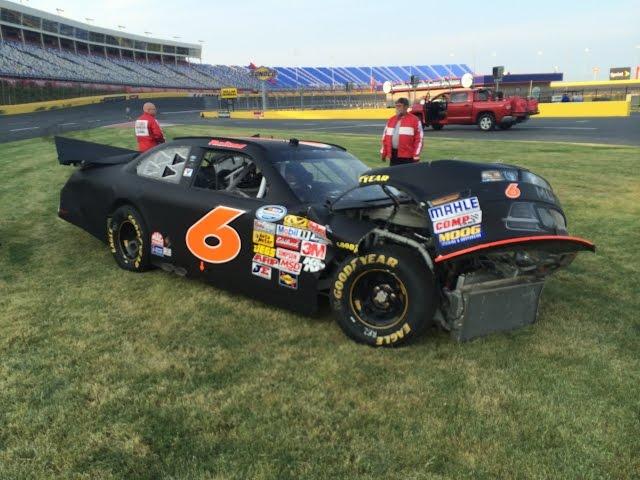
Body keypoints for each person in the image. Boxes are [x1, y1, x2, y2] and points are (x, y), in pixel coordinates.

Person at [380, 98, 423, 166]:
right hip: (393, 155)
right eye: (396, 106)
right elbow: (385, 138)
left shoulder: (415, 120)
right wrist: (383, 153)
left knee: (407, 176)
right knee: (394, 175)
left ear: (406, 107)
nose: (397, 108)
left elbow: (419, 139)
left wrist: (416, 155)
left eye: (399, 106)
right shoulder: (391, 120)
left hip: (408, 157)